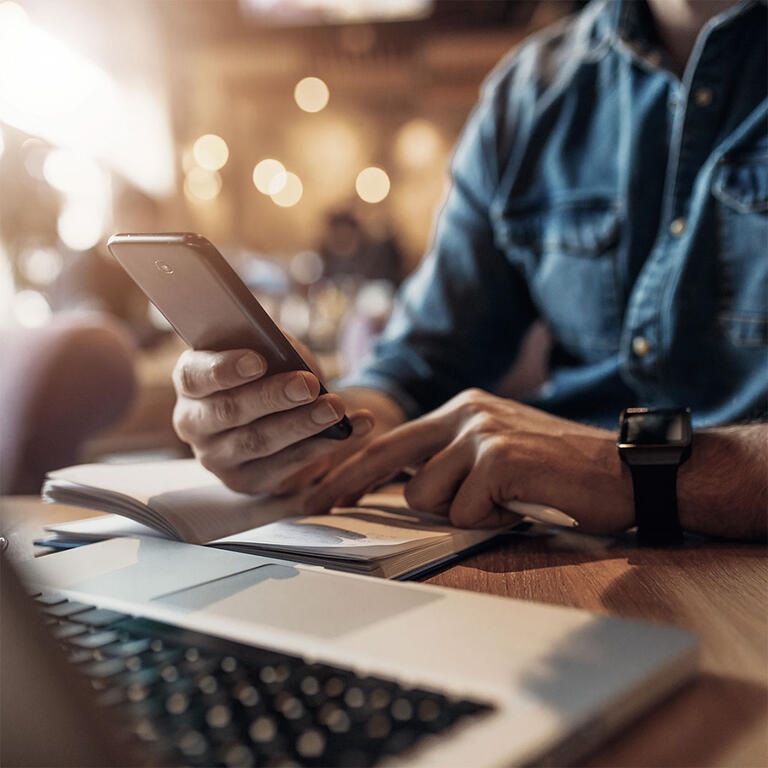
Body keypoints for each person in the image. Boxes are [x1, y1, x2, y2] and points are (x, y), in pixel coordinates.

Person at [171, 0, 767, 542]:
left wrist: (629, 469)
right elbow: (422, 366)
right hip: (559, 543)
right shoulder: (529, 90)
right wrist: (304, 431)